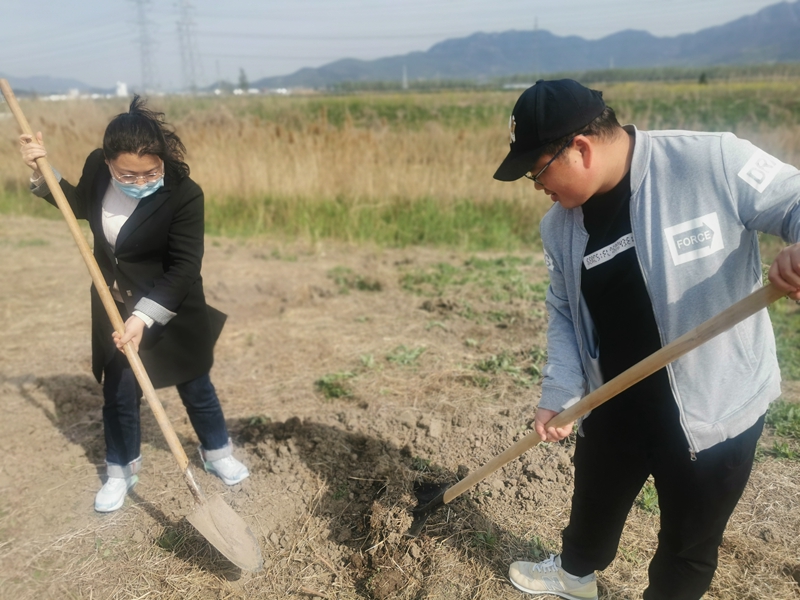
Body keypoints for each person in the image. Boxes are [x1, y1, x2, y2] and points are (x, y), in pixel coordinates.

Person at [493, 79, 800, 600]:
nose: (536, 186)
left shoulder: (710, 162)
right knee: (593, 506)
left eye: (537, 171)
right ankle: (574, 576)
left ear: (580, 148)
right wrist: (561, 389)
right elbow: (564, 310)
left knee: (688, 544)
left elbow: (793, 199)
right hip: (613, 402)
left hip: (713, 414)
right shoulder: (558, 228)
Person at [19, 96, 250, 513]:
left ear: (162, 160)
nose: (140, 181)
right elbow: (78, 206)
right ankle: (120, 470)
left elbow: (184, 267)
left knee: (195, 383)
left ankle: (217, 452)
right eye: (128, 174)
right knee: (120, 392)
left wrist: (143, 317)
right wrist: (42, 171)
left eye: (151, 172)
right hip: (114, 303)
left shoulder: (184, 194)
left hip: (168, 303)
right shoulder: (97, 167)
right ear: (108, 161)